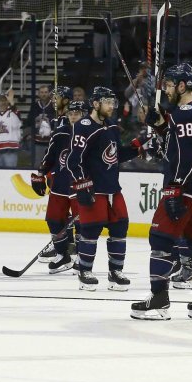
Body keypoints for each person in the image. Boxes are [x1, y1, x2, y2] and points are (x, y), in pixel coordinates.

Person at [132, 63, 192, 321]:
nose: (167, 90)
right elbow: (184, 145)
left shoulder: (183, 113)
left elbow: (187, 154)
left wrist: (174, 188)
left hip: (184, 188)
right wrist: (161, 127)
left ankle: (159, 300)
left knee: (160, 238)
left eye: (170, 85)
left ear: (183, 86)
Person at [66, 87, 147, 291]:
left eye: (113, 102)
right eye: (107, 102)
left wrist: (140, 144)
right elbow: (73, 161)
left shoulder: (110, 126)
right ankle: (85, 271)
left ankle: (115, 272)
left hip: (112, 188)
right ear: (95, 104)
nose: (112, 106)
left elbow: (116, 155)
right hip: (94, 189)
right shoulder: (83, 126)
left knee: (121, 226)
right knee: (91, 230)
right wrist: (82, 185)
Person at [31, 87, 82, 273]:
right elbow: (52, 152)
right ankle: (63, 253)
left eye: (57, 96)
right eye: (53, 96)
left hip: (78, 179)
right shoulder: (59, 122)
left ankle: (82, 257)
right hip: (59, 176)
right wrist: (42, 173)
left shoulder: (83, 127)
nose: (54, 99)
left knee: (81, 221)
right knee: (54, 218)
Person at [0, 93, 22, 167]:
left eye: (5, 100)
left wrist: (12, 102)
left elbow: (18, 113)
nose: (3, 102)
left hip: (10, 149)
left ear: (8, 102)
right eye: (1, 100)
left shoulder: (13, 113)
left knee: (10, 173)